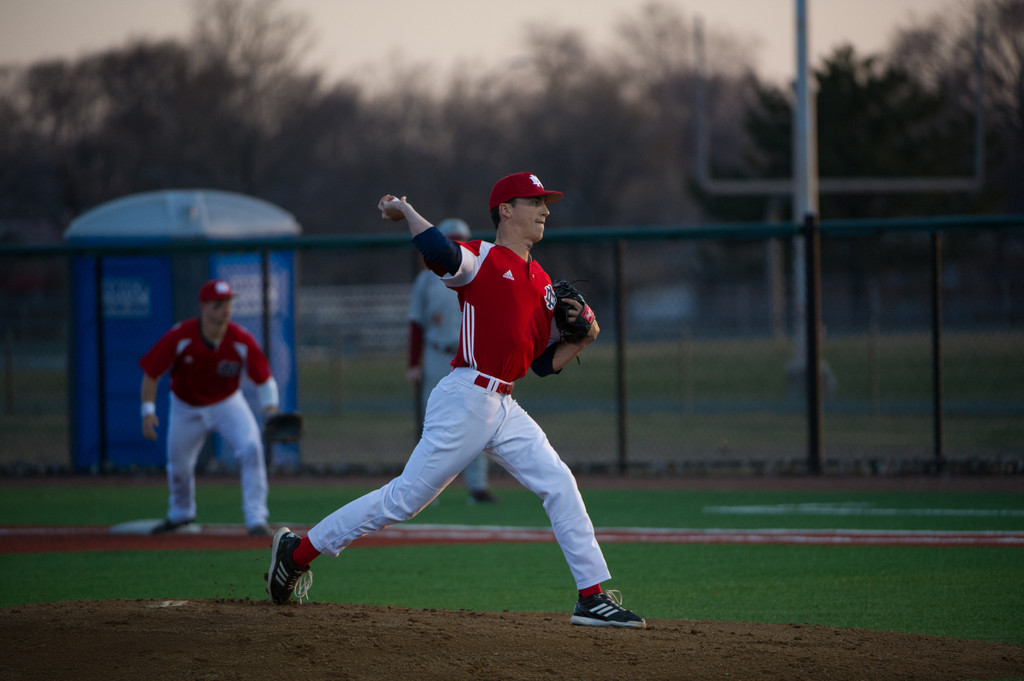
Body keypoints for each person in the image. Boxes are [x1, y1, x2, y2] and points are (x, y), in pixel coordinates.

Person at [266, 172, 645, 628]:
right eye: (534, 202)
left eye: (545, 203)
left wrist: (587, 338)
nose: (545, 210)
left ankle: (592, 597)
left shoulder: (541, 279)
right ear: (506, 210)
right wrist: (406, 211)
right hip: (466, 397)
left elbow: (542, 365)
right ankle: (297, 552)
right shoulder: (482, 258)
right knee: (403, 501)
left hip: (505, 404)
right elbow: (440, 254)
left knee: (560, 483)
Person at [140, 278, 278, 537]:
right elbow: (151, 372)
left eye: (227, 303)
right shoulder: (181, 336)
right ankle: (181, 513)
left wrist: (270, 410)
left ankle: (256, 518)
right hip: (186, 407)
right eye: (217, 305)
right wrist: (147, 412)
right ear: (203, 307)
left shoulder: (240, 339)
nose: (225, 309)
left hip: (227, 403)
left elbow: (264, 379)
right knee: (178, 465)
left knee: (251, 448)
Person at [407, 217, 498, 505]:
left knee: (479, 421)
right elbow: (416, 325)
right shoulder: (426, 280)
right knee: (433, 423)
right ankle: (424, 490)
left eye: (461, 239)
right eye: (451, 239)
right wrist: (413, 362)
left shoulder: (480, 273)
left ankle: (478, 487)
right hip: (437, 354)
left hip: (473, 357)